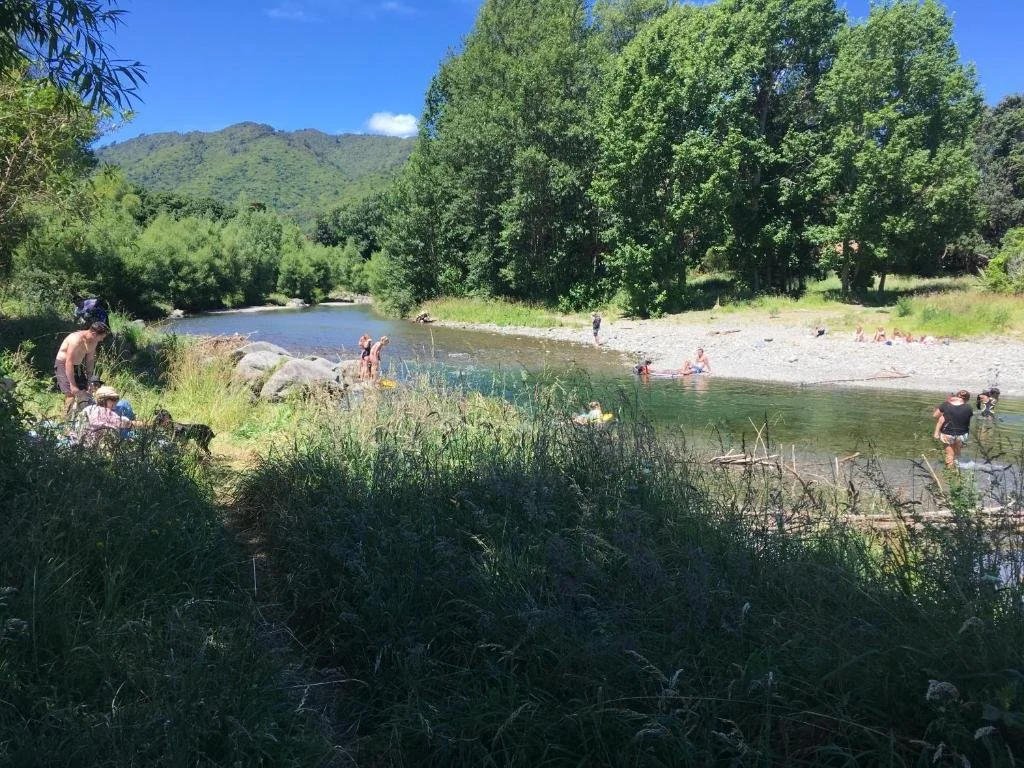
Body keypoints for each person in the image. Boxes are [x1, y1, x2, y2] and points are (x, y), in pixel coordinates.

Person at [54, 322, 109, 415]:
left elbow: (90, 360)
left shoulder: (94, 341)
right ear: (94, 334)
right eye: (101, 337)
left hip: (77, 366)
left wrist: (90, 378)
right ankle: (65, 418)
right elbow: (69, 362)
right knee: (71, 393)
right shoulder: (76, 339)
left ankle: (79, 416)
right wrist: (72, 384)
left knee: (84, 391)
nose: (102, 340)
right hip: (64, 364)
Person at [78, 385, 143, 447]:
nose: (116, 401)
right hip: (97, 445)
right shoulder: (108, 414)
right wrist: (146, 424)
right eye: (113, 399)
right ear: (103, 400)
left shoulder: (88, 408)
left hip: (83, 442)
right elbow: (130, 424)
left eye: (117, 398)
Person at [933, 389, 973, 469]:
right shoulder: (969, 408)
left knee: (950, 455)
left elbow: (935, 415)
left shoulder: (946, 404)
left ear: (956, 396)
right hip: (962, 435)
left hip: (948, 434)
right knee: (957, 454)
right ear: (967, 399)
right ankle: (959, 470)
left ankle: (950, 472)